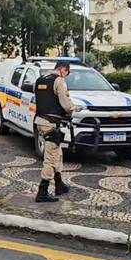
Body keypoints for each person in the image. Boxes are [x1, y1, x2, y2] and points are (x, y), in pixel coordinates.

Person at [33, 62, 75, 203]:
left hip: (39, 121)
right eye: (66, 74)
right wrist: (73, 109)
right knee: (51, 158)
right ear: (63, 70)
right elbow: (66, 104)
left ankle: (59, 185)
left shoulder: (40, 80)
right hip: (50, 123)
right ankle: (42, 192)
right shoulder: (59, 80)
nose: (65, 76)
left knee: (57, 153)